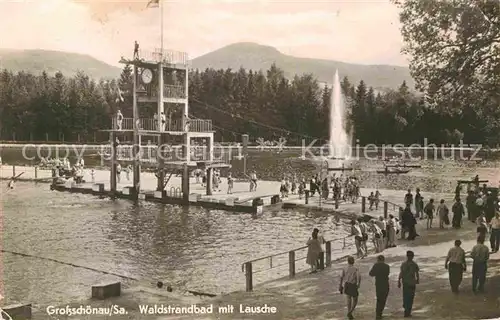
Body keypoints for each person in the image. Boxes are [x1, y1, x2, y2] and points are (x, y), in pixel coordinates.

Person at [398, 250, 419, 318]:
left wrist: (399, 280)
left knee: (406, 296)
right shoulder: (414, 264)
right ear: (412, 256)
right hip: (412, 283)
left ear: (407, 256)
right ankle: (408, 311)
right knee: (411, 298)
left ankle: (406, 308)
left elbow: (401, 273)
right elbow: (417, 273)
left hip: (406, 283)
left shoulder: (403, 264)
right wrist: (418, 280)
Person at [339, 256, 361, 320]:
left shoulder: (344, 268)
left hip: (347, 284)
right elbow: (359, 277)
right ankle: (350, 312)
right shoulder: (355, 268)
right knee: (355, 299)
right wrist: (358, 284)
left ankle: (349, 312)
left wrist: (340, 285)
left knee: (348, 299)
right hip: (353, 285)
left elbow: (341, 277)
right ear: (353, 261)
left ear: (348, 261)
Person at [369, 255, 390, 320]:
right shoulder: (387, 266)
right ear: (383, 260)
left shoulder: (376, 265)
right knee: (384, 299)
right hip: (385, 284)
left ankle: (378, 314)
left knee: (379, 299)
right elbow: (387, 273)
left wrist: (376, 272)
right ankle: (380, 313)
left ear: (378, 260)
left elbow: (371, 274)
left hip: (378, 285)